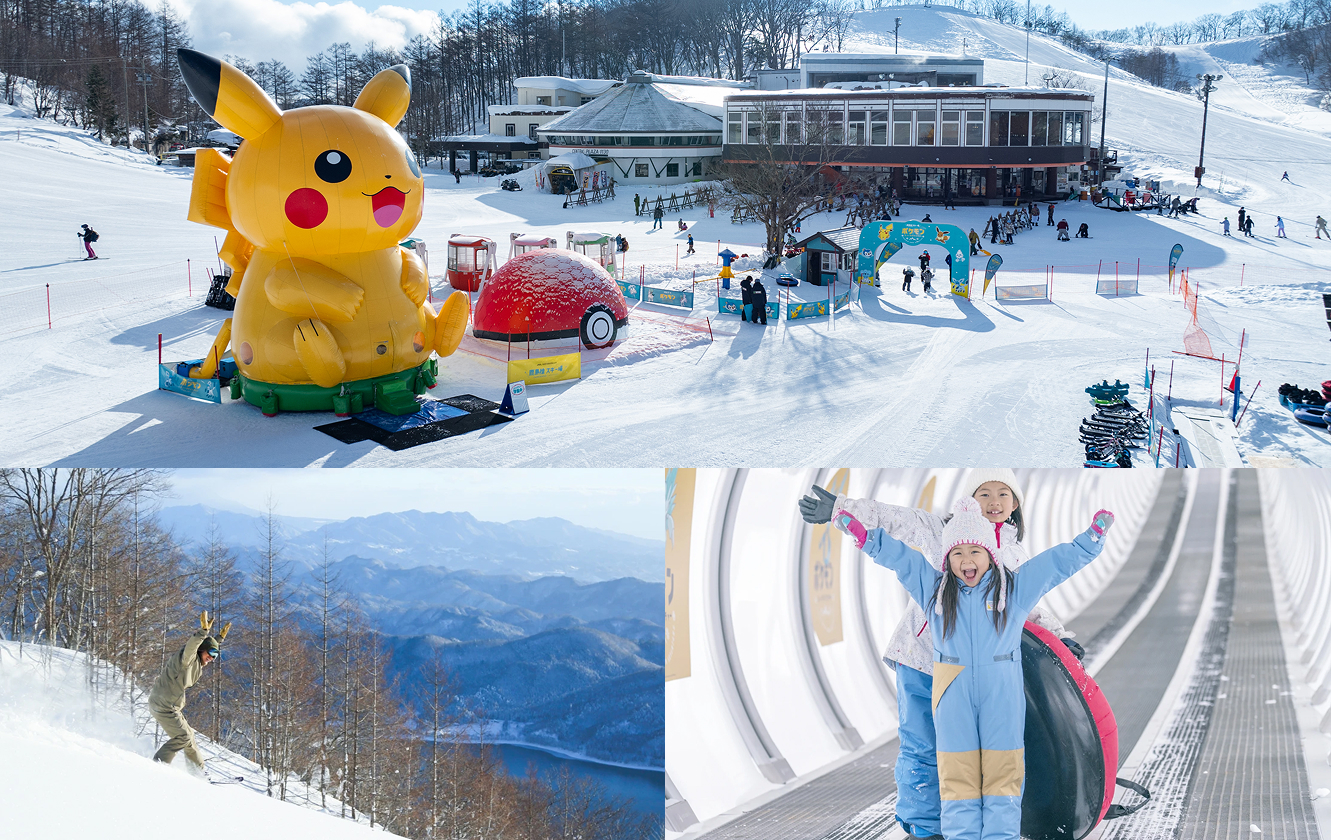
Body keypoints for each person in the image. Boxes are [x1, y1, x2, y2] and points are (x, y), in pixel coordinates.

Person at [798, 470, 1088, 840]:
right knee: (923, 746)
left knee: (978, 758)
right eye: (984, 493)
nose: (994, 503)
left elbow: (1024, 603)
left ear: (1016, 505)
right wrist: (840, 508)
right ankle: (925, 829)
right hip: (921, 656)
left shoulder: (1013, 554)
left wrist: (1060, 637)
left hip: (978, 671)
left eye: (1003, 494)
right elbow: (893, 520)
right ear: (969, 498)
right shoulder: (940, 531)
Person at [150, 611, 231, 773]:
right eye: (211, 654)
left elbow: (207, 646)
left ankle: (198, 773)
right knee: (183, 737)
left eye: (216, 655)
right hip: (163, 705)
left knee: (190, 739)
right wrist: (203, 633)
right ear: (201, 650)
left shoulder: (197, 660)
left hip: (172, 706)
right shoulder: (186, 660)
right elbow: (192, 646)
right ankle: (156, 767)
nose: (212, 658)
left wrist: (218, 639)